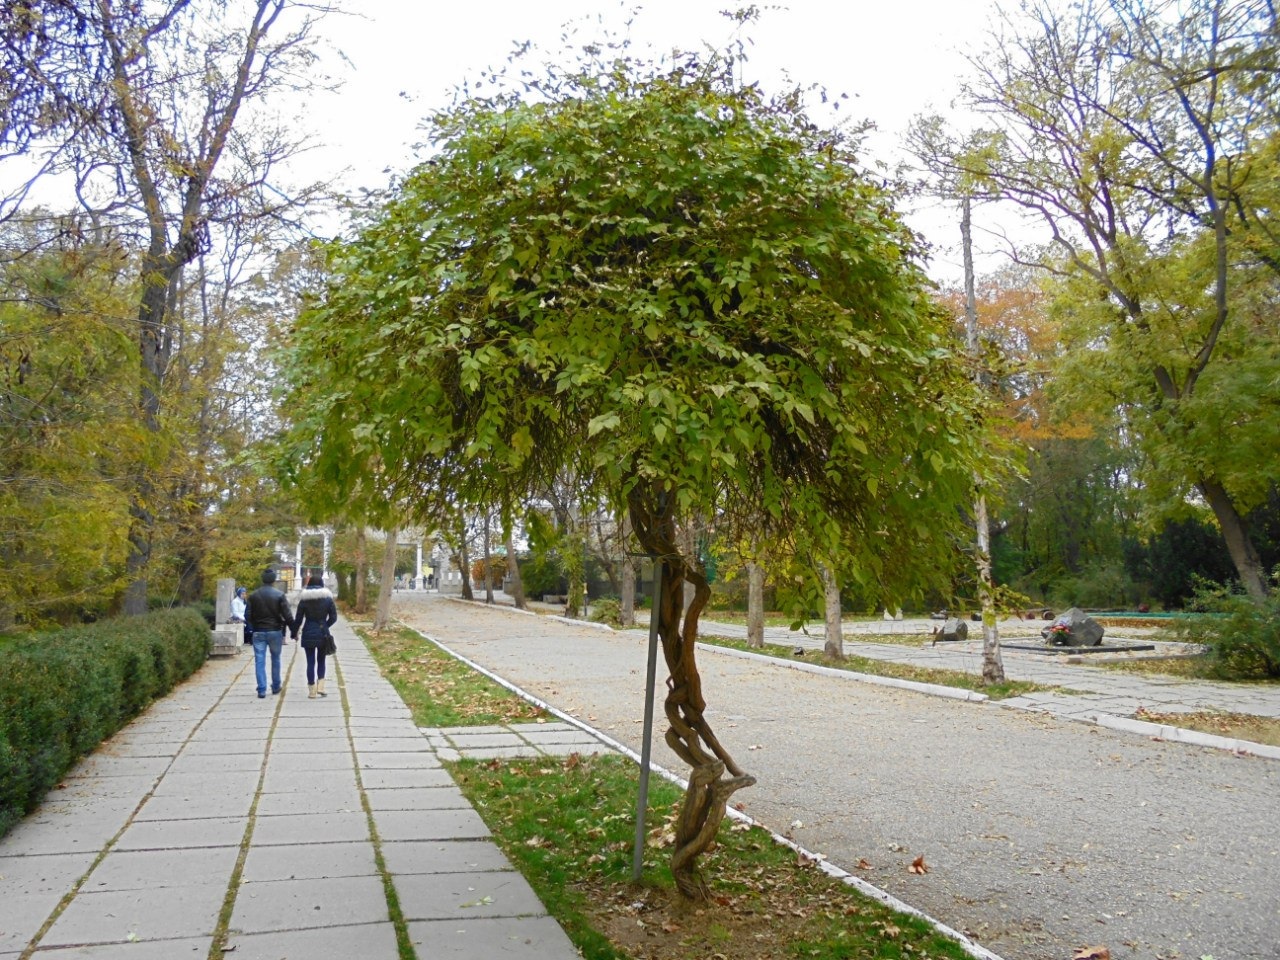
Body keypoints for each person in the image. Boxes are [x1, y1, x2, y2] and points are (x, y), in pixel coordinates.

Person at [247, 568, 292, 699]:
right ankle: (276, 685)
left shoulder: (253, 596)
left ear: (262, 579)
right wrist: (293, 630)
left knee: (259, 660)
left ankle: (261, 689)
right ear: (273, 580)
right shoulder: (279, 595)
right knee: (276, 658)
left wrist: (253, 626)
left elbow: (247, 615)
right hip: (275, 630)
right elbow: (287, 615)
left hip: (259, 631)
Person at [291, 574, 338, 699]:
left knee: (310, 661)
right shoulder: (327, 599)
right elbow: (334, 617)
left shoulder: (304, 600)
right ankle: (321, 687)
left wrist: (294, 633)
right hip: (323, 633)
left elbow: (298, 619)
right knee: (321, 660)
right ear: (322, 584)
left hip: (308, 632)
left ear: (309, 584)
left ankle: (312, 690)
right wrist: (325, 625)